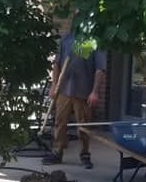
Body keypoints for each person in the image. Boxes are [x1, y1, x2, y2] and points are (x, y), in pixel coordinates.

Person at [43, 32, 106, 169]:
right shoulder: (66, 39)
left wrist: (94, 92)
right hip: (64, 90)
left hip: (83, 91)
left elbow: (100, 69)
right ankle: (57, 152)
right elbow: (56, 64)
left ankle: (84, 154)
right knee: (60, 122)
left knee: (83, 125)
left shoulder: (94, 41)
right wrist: (54, 85)